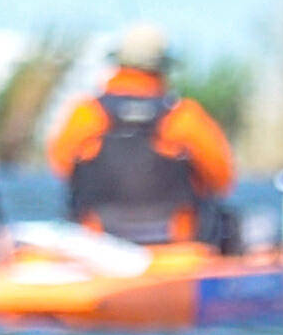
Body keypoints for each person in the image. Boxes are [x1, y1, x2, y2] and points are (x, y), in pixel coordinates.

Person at [48, 21, 240, 248]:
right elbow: (222, 180)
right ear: (163, 67)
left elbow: (59, 165)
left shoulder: (86, 115)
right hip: (176, 253)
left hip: (99, 250)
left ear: (118, 63)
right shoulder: (186, 117)